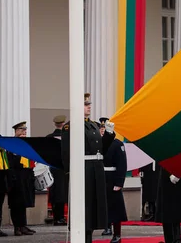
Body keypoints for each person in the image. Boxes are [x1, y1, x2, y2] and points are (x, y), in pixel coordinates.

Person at [61, 93, 115, 243]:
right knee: (85, 206)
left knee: (93, 207)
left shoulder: (93, 125)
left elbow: (102, 148)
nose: (89, 106)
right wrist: (69, 172)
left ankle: (89, 236)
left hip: (96, 168)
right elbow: (66, 151)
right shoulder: (70, 126)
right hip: (83, 169)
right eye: (86, 105)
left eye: (89, 104)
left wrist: (109, 134)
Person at [7, 122, 36, 236]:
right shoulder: (12, 144)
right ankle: (17, 226)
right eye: (21, 130)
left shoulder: (26, 143)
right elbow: (10, 161)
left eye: (25, 130)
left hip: (26, 175)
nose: (24, 132)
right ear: (16, 131)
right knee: (16, 203)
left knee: (23, 202)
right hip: (16, 176)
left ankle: (23, 225)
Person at [155, 166, 181, 243]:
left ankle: (176, 239)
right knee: (166, 213)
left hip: (179, 175)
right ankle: (170, 239)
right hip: (166, 175)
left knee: (176, 212)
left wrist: (178, 173)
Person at [102, 130, 128, 243]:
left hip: (112, 178)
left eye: (105, 128)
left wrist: (119, 183)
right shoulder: (97, 143)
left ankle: (117, 234)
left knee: (115, 208)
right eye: (101, 128)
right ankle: (105, 227)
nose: (102, 130)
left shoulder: (117, 144)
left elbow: (122, 164)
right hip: (100, 177)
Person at [47, 115, 68, 226]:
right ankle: (61, 218)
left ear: (55, 124)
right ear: (64, 124)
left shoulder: (49, 137)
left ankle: (57, 217)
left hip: (53, 168)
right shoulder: (68, 137)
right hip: (64, 168)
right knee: (63, 193)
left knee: (55, 193)